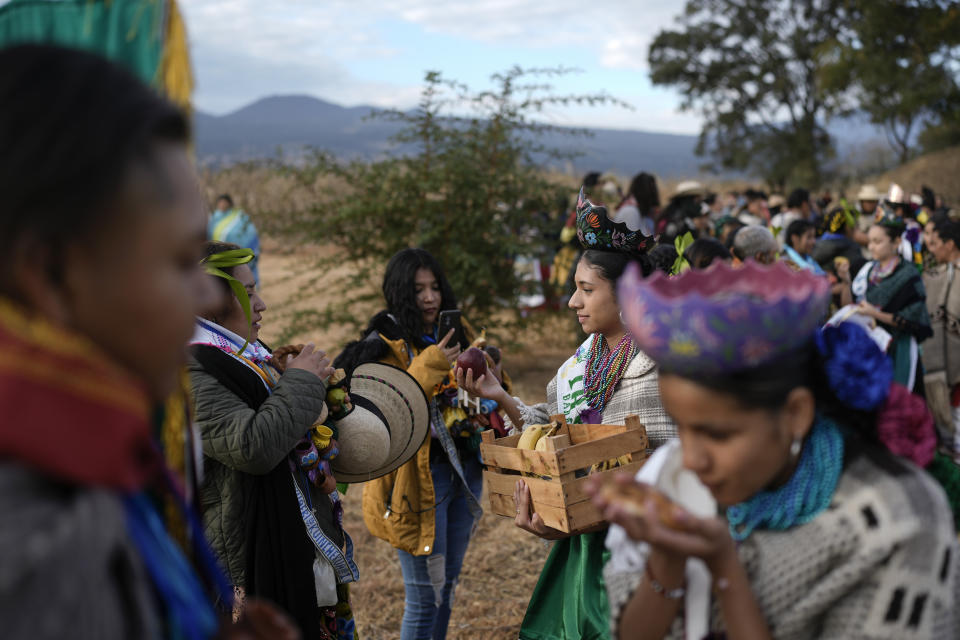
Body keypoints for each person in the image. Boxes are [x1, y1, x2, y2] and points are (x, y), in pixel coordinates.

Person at [0, 45, 297, 640]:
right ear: (54, 272)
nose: (212, 301)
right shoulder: (40, 553)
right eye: (183, 260)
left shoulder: (90, 466)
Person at [595, 260, 960, 639]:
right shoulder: (676, 480)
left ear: (796, 414)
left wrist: (725, 568)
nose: (690, 459)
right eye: (680, 428)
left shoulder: (895, 519)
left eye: (717, 435)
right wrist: (667, 558)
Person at [459, 188, 676, 640]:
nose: (574, 302)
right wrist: (499, 396)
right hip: (582, 550)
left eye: (586, 290)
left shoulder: (665, 366)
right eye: (574, 289)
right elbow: (553, 428)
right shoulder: (582, 362)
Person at [188, 241, 359, 638]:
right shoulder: (191, 367)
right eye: (248, 293)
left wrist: (287, 378)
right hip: (245, 568)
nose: (261, 303)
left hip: (294, 552)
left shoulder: (241, 354)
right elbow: (253, 446)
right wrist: (300, 381)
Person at [334, 248, 480, 640]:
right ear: (400, 292)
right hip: (415, 481)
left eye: (435, 288)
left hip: (463, 471)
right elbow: (383, 410)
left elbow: (485, 395)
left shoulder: (456, 329)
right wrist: (431, 363)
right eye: (418, 290)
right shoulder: (381, 343)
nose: (430, 298)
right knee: (424, 598)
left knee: (446, 589)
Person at [851, 218, 933, 392]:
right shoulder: (868, 271)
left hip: (900, 348)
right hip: (874, 347)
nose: (871, 247)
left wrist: (875, 314)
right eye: (870, 241)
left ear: (896, 242)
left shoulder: (908, 275)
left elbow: (912, 319)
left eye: (878, 241)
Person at [922, 217, 960, 455]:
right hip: (943, 372)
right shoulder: (935, 275)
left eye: (936, 243)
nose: (931, 248)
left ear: (950, 244)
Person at [210, 194, 261, 285]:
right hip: (219, 255)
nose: (222, 205)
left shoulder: (239, 216)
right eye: (220, 203)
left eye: (224, 203)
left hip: (236, 253)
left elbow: (250, 232)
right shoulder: (214, 218)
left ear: (229, 203)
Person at [812, 205, 867, 280]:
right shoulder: (853, 249)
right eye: (854, 225)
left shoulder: (813, 244)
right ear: (847, 227)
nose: (855, 228)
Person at [614, 172, 659, 237]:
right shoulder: (630, 212)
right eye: (651, 192)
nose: (653, 198)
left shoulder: (639, 212)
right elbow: (632, 243)